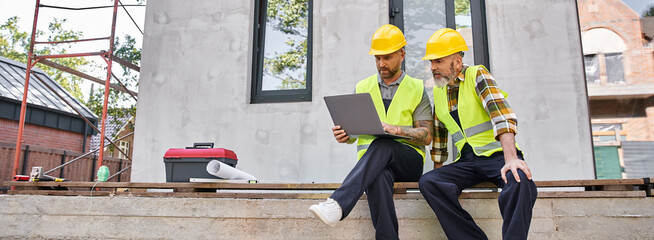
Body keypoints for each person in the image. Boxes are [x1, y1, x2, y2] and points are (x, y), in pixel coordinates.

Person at [309, 24, 433, 240]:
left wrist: (396, 130)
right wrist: (345, 136)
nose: (381, 64)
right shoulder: (362, 86)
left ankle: (338, 203)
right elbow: (357, 130)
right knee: (378, 176)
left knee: (384, 144)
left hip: (408, 162)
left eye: (387, 57)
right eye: (377, 58)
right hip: (373, 165)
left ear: (402, 54)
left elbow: (427, 135)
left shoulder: (417, 88)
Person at [418, 28, 538, 240]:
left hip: (497, 157)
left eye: (438, 61)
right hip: (467, 162)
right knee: (430, 182)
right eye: (431, 62)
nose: (433, 67)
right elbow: (439, 135)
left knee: (521, 181)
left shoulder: (477, 75)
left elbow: (502, 115)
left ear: (456, 60)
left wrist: (511, 159)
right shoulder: (439, 89)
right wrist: (439, 172)